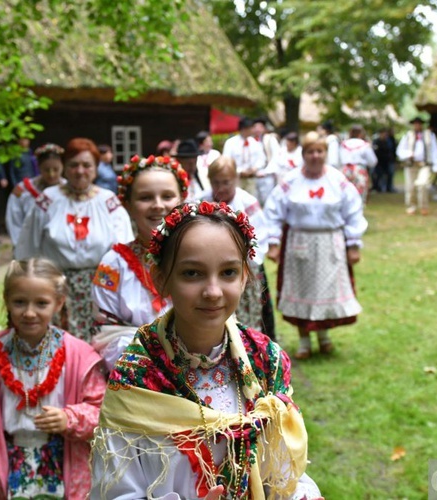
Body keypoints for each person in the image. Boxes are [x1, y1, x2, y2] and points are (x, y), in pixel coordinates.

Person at [90, 201, 323, 500]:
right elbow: (115, 489)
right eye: (192, 273)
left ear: (244, 277)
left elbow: (282, 471)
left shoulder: (265, 360)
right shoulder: (137, 372)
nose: (212, 291)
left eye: (228, 272)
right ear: (161, 279)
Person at [0, 258, 106, 499]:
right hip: (8, 467)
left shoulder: (79, 356)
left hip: (67, 466)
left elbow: (103, 413)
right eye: (19, 302)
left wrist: (70, 419)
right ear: (6, 301)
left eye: (41, 303)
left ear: (59, 303)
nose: (29, 312)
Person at [15, 138, 133, 341]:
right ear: (64, 167)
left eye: (86, 165)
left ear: (96, 168)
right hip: (55, 288)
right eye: (73, 165)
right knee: (57, 347)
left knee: (97, 346)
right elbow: (28, 246)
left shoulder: (109, 202)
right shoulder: (48, 200)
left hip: (100, 288)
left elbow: (125, 253)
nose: (80, 171)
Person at [264, 131, 367, 360]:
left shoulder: (338, 180)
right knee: (302, 291)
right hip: (299, 244)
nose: (315, 156)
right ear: (303, 154)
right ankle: (303, 341)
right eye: (310, 151)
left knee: (325, 291)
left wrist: (353, 245)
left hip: (330, 245)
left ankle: (324, 337)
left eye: (319, 151)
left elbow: (353, 211)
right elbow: (273, 211)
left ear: (326, 153)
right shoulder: (290, 181)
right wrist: (273, 243)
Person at [91, 154, 190, 371]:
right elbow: (103, 334)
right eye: (145, 198)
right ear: (127, 204)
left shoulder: (198, 255)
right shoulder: (113, 264)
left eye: (167, 196)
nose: (157, 205)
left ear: (182, 199)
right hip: (135, 378)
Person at [199, 155, 276, 339]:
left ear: (236, 179)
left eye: (226, 182)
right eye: (216, 183)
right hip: (210, 266)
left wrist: (246, 263)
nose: (221, 188)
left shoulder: (248, 203)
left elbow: (260, 238)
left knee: (247, 313)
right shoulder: (201, 202)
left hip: (244, 269)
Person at [5, 143, 64, 248]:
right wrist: (20, 245)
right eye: (46, 170)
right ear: (39, 168)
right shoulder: (23, 190)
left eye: (56, 169)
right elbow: (14, 220)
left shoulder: (68, 190)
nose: (51, 174)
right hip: (28, 246)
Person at [396, 117, 437, 215]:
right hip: (411, 165)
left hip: (424, 164)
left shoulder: (430, 135)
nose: (417, 126)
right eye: (415, 124)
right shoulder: (408, 136)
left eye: (419, 124)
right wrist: (409, 154)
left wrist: (436, 164)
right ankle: (411, 206)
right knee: (410, 187)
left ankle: (424, 206)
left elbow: (435, 151)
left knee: (423, 184)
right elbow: (400, 151)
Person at [222, 117, 267, 200]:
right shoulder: (231, 143)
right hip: (237, 178)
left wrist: (254, 168)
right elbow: (226, 161)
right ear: (244, 129)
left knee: (251, 200)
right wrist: (240, 171)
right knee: (236, 200)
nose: (253, 130)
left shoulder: (255, 143)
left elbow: (262, 159)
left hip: (251, 179)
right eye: (251, 128)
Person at [339, 124, 378, 204]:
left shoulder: (343, 144)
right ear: (360, 133)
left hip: (345, 170)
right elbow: (372, 161)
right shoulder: (365, 145)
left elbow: (339, 158)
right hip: (359, 170)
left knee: (345, 191)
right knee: (359, 193)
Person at [252, 118, 281, 204]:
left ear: (264, 128)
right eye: (255, 127)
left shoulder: (270, 139)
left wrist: (266, 171)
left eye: (260, 127)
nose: (257, 129)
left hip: (266, 175)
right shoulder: (250, 140)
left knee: (267, 201)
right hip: (253, 176)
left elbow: (276, 156)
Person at [372, 128, 395, 193]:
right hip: (379, 162)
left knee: (389, 174)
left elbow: (392, 150)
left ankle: (388, 188)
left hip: (388, 161)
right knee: (379, 175)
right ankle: (379, 188)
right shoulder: (376, 141)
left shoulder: (389, 141)